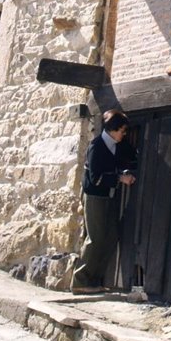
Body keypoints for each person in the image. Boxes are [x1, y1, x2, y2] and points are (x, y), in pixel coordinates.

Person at [71, 111, 137, 293]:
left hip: (110, 197)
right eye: (122, 130)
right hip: (95, 198)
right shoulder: (96, 147)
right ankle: (80, 281)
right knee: (95, 238)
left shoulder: (118, 145)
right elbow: (95, 178)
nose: (124, 134)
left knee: (110, 237)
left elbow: (132, 157)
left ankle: (93, 281)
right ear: (113, 129)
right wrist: (119, 178)